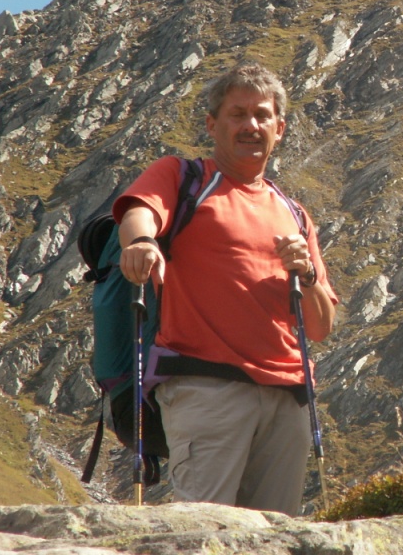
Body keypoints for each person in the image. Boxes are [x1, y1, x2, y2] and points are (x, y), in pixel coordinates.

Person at [114, 62, 338, 515]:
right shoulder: (184, 177)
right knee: (207, 532)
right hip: (206, 388)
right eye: (237, 114)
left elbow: (321, 326)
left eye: (262, 115)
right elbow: (139, 211)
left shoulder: (294, 213)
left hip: (288, 398)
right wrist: (140, 243)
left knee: (275, 538)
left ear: (281, 128)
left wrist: (308, 275)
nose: (251, 125)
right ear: (213, 124)